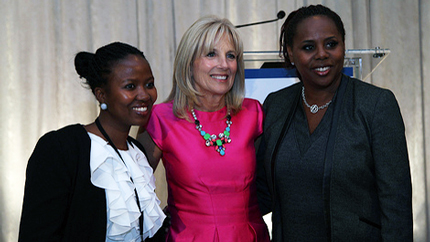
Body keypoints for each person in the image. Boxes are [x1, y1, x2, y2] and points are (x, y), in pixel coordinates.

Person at [256, 4, 413, 242]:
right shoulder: (276, 105)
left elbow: (396, 207)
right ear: (290, 52)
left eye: (331, 44)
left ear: (343, 45)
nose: (322, 54)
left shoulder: (376, 105)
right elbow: (261, 193)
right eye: (308, 47)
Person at [137, 16, 270, 241]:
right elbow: (133, 191)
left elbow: (274, 181)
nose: (224, 64)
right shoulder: (161, 117)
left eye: (231, 56)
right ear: (189, 63)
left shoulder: (253, 113)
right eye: (211, 54)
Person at [19, 42, 166, 241]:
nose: (144, 95)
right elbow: (38, 235)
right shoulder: (62, 148)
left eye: (149, 84)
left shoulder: (137, 153)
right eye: (130, 86)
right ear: (101, 94)